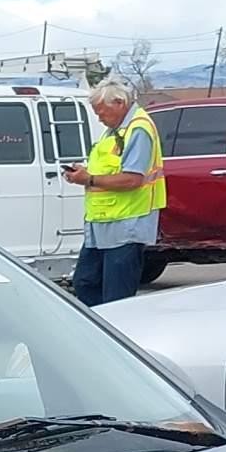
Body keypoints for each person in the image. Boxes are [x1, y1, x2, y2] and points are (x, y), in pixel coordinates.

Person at [63, 79, 165, 306]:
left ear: (119, 103)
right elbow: (110, 167)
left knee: (117, 296)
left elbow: (132, 178)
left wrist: (88, 178)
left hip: (126, 224)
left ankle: (115, 335)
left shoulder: (138, 129)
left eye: (101, 112)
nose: (99, 118)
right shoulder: (115, 129)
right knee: (85, 282)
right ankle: (98, 333)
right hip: (102, 225)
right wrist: (84, 173)